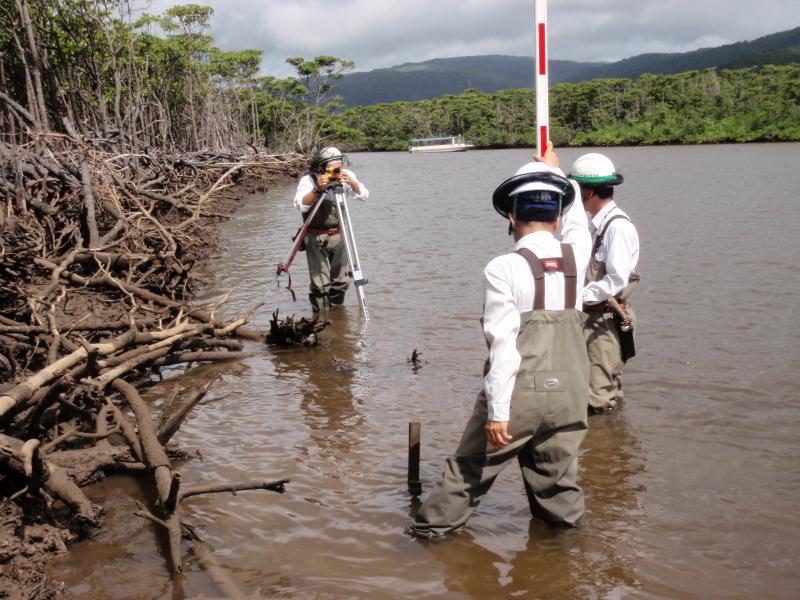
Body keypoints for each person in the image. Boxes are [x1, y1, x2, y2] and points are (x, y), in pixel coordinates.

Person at [409, 146, 591, 538]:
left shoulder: (503, 267)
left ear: (510, 216)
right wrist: (558, 173)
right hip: (573, 391)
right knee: (558, 481)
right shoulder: (578, 253)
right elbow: (579, 221)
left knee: (469, 471)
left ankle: (424, 540)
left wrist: (498, 412)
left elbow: (504, 345)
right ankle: (565, 559)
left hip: (521, 390)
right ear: (558, 218)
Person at [569, 153, 640, 414]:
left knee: (597, 397)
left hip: (606, 321)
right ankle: (615, 446)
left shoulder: (616, 227)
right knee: (606, 388)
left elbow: (616, 280)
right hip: (598, 318)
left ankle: (604, 450)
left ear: (587, 193)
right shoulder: (598, 224)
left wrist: (576, 297)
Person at [293, 146, 369, 312]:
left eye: (338, 166)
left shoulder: (346, 176)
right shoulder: (309, 180)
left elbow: (364, 195)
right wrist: (318, 189)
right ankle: (321, 317)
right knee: (320, 283)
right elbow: (300, 205)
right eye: (330, 167)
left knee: (342, 280)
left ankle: (336, 315)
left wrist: (351, 183)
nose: (335, 171)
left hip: (338, 234)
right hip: (315, 237)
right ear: (321, 167)